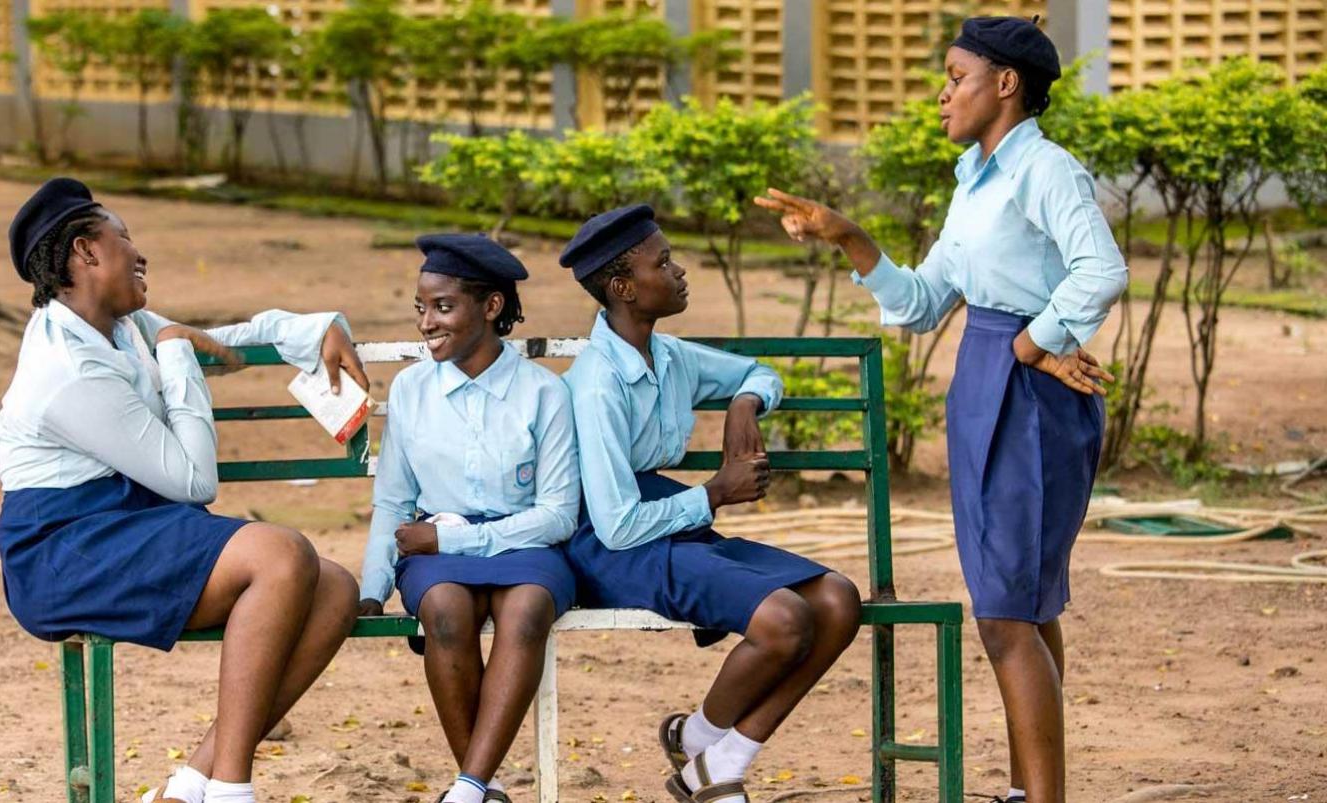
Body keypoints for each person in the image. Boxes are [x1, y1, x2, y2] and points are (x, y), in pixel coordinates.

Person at [754, 17, 1128, 803]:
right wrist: (851, 239)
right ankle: (1034, 791)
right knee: (1022, 604)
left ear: (1006, 84)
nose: (941, 93)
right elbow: (926, 303)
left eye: (955, 76)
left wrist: (1032, 343)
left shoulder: (1047, 170)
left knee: (1004, 614)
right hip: (985, 380)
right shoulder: (975, 174)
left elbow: (1102, 268)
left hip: (1028, 393)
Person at [0, 178, 371, 803]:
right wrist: (175, 354)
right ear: (86, 253)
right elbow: (195, 482)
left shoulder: (122, 327)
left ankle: (192, 782)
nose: (139, 253)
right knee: (280, 555)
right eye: (124, 238)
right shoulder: (65, 370)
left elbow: (225, 344)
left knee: (333, 590)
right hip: (65, 547)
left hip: (129, 523)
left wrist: (318, 329)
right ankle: (230, 789)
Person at [557, 205, 862, 803]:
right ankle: (700, 739)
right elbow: (616, 526)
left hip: (669, 526)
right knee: (784, 620)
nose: (679, 271)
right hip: (610, 544)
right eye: (663, 262)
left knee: (837, 599)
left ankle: (713, 757)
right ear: (623, 288)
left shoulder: (669, 357)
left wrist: (744, 403)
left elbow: (759, 371)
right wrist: (714, 494)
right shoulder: (595, 383)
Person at [358, 234, 580, 803]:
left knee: (528, 608)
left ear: (492, 307)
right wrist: (372, 588)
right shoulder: (412, 390)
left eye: (443, 307)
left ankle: (468, 788)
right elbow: (393, 499)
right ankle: (487, 784)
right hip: (437, 550)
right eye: (421, 309)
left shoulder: (543, 393)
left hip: (524, 543)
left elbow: (557, 515)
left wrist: (462, 538)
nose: (426, 323)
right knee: (446, 609)